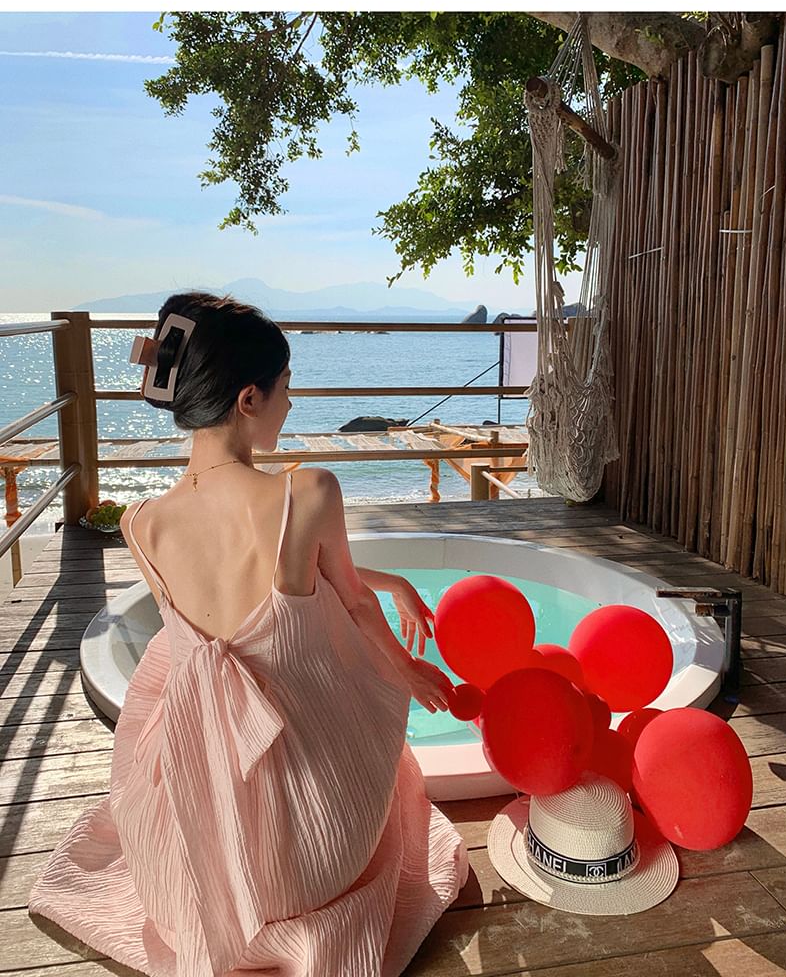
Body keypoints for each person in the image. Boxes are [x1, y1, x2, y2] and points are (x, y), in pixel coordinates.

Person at [28, 292, 470, 977]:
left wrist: (390, 582)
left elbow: (265, 571)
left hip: (194, 852)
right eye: (285, 388)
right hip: (316, 862)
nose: (290, 404)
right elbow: (348, 600)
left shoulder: (141, 523)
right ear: (248, 399)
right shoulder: (308, 491)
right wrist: (407, 671)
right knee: (374, 733)